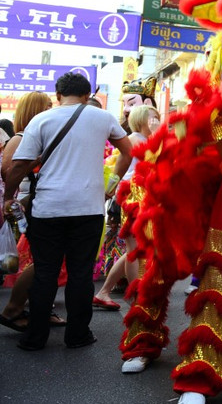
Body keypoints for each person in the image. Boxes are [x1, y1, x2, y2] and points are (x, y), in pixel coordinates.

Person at [3, 72, 132, 351]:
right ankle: (78, 335)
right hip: (88, 209)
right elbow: (128, 152)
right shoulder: (103, 118)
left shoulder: (42, 119)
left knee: (45, 272)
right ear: (87, 95)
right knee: (81, 273)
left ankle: (34, 338)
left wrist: (9, 197)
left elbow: (17, 166)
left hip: (48, 208)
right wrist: (110, 184)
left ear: (58, 95)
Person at [92, 105, 160, 312]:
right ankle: (136, 296)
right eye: (152, 117)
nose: (155, 120)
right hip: (133, 198)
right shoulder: (135, 139)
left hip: (144, 197)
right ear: (140, 119)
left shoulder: (145, 139)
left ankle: (104, 291)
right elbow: (156, 160)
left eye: (157, 117)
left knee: (135, 248)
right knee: (136, 249)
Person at [0, 92, 57, 332]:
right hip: (26, 203)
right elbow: (8, 172)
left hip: (35, 202)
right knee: (43, 261)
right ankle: (13, 309)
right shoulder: (20, 137)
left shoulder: (39, 136)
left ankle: (33, 308)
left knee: (43, 261)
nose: (51, 109)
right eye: (46, 106)